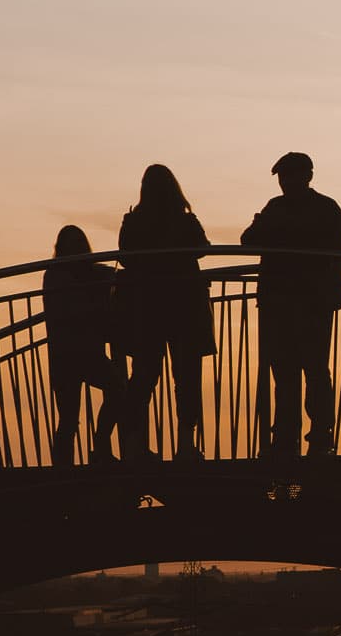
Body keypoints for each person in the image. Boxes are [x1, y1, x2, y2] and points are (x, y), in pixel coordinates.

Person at [241, 151, 341, 461]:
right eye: (283, 178)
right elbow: (249, 240)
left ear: (307, 176)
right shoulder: (316, 208)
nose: (286, 183)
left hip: (304, 301)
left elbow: (252, 239)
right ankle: (299, 435)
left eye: (290, 176)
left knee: (307, 369)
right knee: (292, 370)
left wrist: (270, 230)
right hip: (292, 301)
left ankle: (310, 435)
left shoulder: (302, 209)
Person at [116, 165, 214, 461]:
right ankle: (185, 445)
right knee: (186, 377)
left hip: (148, 306)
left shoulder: (134, 221)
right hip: (184, 305)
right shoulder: (185, 221)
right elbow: (202, 249)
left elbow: (124, 256)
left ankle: (134, 444)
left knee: (144, 375)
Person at [43, 225, 125, 466]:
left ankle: (98, 447)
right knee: (69, 419)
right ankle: (66, 467)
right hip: (69, 355)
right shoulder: (57, 274)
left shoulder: (85, 273)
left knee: (117, 389)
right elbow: (69, 309)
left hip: (84, 353)